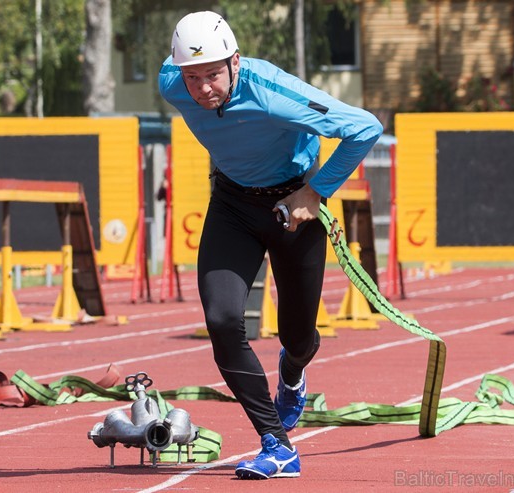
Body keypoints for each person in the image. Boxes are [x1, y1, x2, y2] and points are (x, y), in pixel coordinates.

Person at [159, 11, 383, 480]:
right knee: (222, 320)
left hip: (293, 210)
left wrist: (315, 191)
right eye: (193, 77)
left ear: (235, 62)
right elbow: (188, 82)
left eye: (213, 75)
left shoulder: (271, 91)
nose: (202, 89)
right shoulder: (170, 83)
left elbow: (364, 127)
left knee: (297, 338)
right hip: (232, 207)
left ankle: (293, 373)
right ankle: (276, 445)